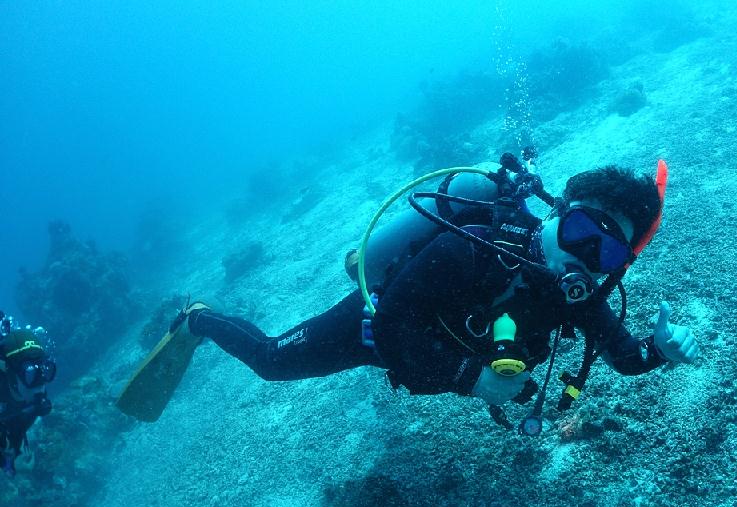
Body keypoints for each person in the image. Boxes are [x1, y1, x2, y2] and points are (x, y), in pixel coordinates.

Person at [127, 159, 698, 430]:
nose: (582, 258)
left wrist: (657, 353)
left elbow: (625, 360)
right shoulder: (469, 247)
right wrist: (473, 379)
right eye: (579, 232)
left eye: (606, 255)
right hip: (377, 326)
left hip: (442, 351)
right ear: (556, 214)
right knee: (274, 362)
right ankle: (199, 319)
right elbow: (395, 325)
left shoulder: (577, 293)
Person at [0, 324, 55, 474]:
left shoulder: (31, 392)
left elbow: (15, 428)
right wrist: (7, 465)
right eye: (30, 374)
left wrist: (14, 456)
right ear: (9, 375)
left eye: (45, 369)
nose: (41, 384)